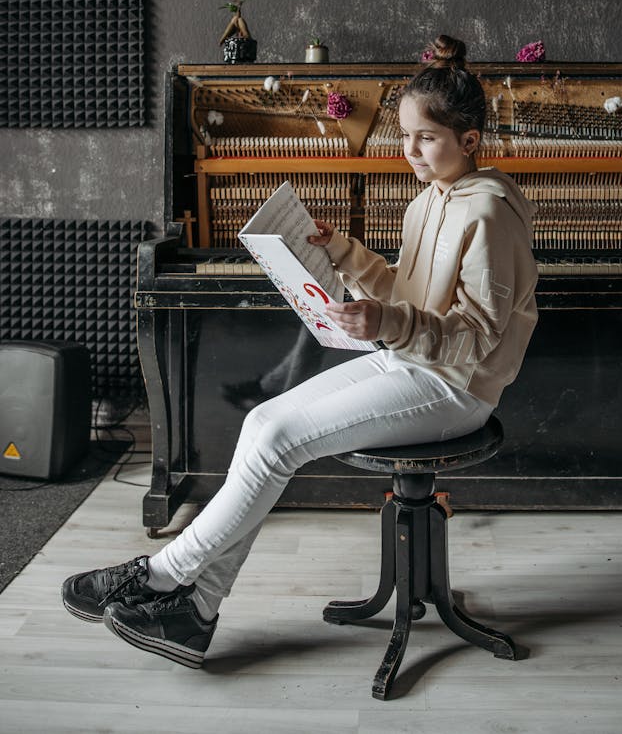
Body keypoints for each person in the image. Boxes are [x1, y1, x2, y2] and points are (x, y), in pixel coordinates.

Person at [61, 34, 539, 669]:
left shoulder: (491, 214)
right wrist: (340, 253)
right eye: (402, 137)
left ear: (470, 140)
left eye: (425, 138)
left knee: (280, 435)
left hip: (456, 388)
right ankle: (194, 611)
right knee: (263, 422)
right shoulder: (429, 200)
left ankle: (163, 577)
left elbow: (475, 334)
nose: (409, 151)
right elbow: (408, 288)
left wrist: (387, 320)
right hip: (412, 363)